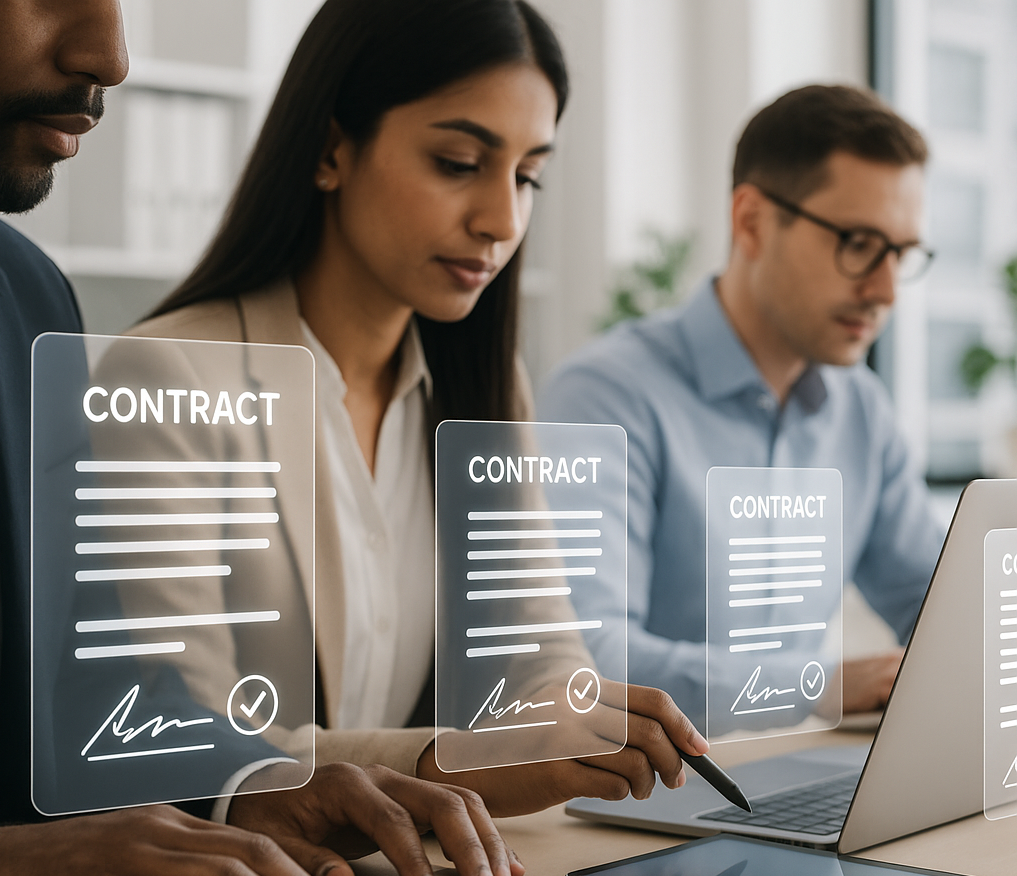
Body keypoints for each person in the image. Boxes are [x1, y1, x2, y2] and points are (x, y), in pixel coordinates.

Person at [0, 0, 529, 876]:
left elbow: (83, 702)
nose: (107, 56)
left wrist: (249, 782)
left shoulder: (25, 294)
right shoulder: (158, 368)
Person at [127, 0, 709, 817]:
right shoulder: (169, 375)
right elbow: (191, 737)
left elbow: (539, 647)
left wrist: (573, 716)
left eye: (528, 175)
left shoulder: (486, 383)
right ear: (332, 148)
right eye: (459, 161)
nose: (502, 220)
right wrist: (458, 758)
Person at [540, 85, 947, 727]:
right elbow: (587, 662)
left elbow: (941, 613)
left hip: (792, 779)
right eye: (860, 243)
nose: (886, 289)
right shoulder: (604, 397)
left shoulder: (862, 412)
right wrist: (820, 686)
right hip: (637, 801)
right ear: (752, 220)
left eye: (901, 253)